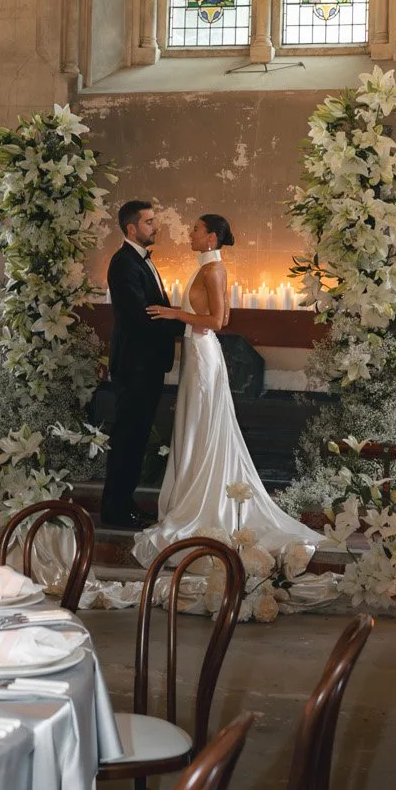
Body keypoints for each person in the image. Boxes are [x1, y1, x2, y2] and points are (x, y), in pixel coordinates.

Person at [134, 212, 315, 567]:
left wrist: (175, 314)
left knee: (201, 426)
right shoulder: (207, 267)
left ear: (212, 237)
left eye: (197, 229)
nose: (191, 232)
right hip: (196, 353)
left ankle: (201, 501)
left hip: (203, 354)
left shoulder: (213, 269)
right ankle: (188, 494)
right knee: (193, 426)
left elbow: (219, 321)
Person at [99, 197, 179, 528]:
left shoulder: (141, 260)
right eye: (148, 222)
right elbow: (137, 317)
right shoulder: (123, 263)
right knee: (128, 438)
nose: (155, 226)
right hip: (135, 366)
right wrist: (184, 322)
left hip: (147, 365)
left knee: (136, 438)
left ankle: (125, 504)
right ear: (132, 228)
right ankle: (115, 511)